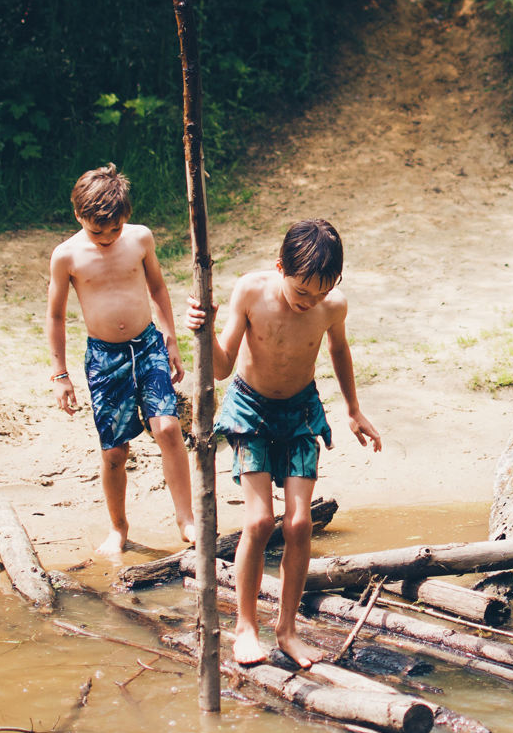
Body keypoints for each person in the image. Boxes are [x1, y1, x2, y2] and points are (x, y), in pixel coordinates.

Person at [187, 217, 381, 667]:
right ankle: (245, 628)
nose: (309, 302)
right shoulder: (251, 292)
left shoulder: (332, 305)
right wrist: (204, 330)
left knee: (297, 525)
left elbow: (337, 350)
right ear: (280, 268)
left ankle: (288, 629)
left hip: (300, 413)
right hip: (250, 411)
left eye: (319, 293)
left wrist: (352, 409)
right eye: (301, 292)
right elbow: (220, 368)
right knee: (258, 522)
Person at [46, 164, 195, 555]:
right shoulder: (66, 256)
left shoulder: (139, 239)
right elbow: (56, 315)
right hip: (104, 357)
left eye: (114, 228)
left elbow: (158, 288)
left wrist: (171, 340)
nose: (108, 238)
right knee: (115, 451)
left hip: (148, 346)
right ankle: (118, 527)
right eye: (98, 231)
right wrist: (60, 373)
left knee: (168, 429)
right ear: (79, 215)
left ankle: (187, 519)